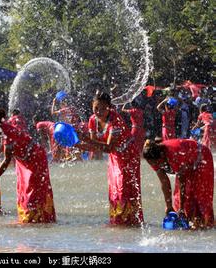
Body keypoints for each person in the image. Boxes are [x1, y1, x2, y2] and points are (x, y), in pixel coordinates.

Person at [76, 92, 143, 226]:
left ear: (109, 107)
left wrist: (86, 139)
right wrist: (76, 144)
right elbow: (95, 147)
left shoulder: (115, 120)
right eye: (96, 108)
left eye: (103, 108)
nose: (99, 112)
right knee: (115, 188)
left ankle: (129, 221)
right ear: (92, 106)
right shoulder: (92, 120)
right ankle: (117, 220)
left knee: (125, 187)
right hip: (115, 156)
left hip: (128, 154)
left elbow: (107, 148)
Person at [0, 105, 56, 224]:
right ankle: (27, 219)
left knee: (34, 190)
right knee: (23, 190)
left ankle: (39, 220)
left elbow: (6, 160)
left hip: (36, 157)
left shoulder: (7, 132)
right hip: (22, 160)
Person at [143, 138, 214, 229]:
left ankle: (205, 226)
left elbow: (182, 183)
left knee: (199, 195)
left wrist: (181, 208)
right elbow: (164, 183)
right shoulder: (152, 158)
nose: (155, 165)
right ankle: (188, 223)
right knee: (182, 201)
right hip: (186, 162)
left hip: (202, 157)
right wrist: (168, 206)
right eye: (152, 163)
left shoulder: (174, 154)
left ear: (162, 156)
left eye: (157, 163)